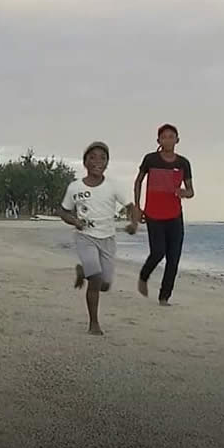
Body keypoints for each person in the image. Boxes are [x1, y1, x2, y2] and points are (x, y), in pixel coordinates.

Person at [58, 142, 140, 335]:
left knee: (104, 284)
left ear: (107, 163)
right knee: (95, 278)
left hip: (107, 239)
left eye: (103, 158)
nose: (98, 161)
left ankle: (83, 271)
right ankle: (93, 324)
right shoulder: (75, 187)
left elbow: (131, 206)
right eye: (93, 157)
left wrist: (134, 223)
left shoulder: (113, 186)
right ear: (85, 161)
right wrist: (74, 221)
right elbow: (62, 211)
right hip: (85, 237)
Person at [135, 124, 194, 306]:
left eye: (171, 136)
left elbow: (191, 191)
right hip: (153, 214)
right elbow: (138, 182)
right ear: (158, 140)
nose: (168, 139)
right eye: (164, 137)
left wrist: (184, 192)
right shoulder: (151, 159)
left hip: (175, 216)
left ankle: (164, 297)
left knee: (173, 258)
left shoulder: (183, 163)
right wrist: (137, 207)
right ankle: (144, 276)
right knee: (158, 252)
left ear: (177, 140)